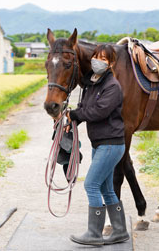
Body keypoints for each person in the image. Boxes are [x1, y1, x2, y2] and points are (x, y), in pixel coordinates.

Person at [66, 44, 129, 246]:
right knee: (106, 188)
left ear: (111, 63)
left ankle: (94, 233)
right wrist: (71, 119)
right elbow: (84, 108)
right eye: (95, 56)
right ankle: (119, 231)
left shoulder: (112, 87)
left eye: (103, 58)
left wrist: (76, 115)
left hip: (111, 144)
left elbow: (99, 112)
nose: (97, 61)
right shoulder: (91, 85)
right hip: (101, 144)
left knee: (91, 184)